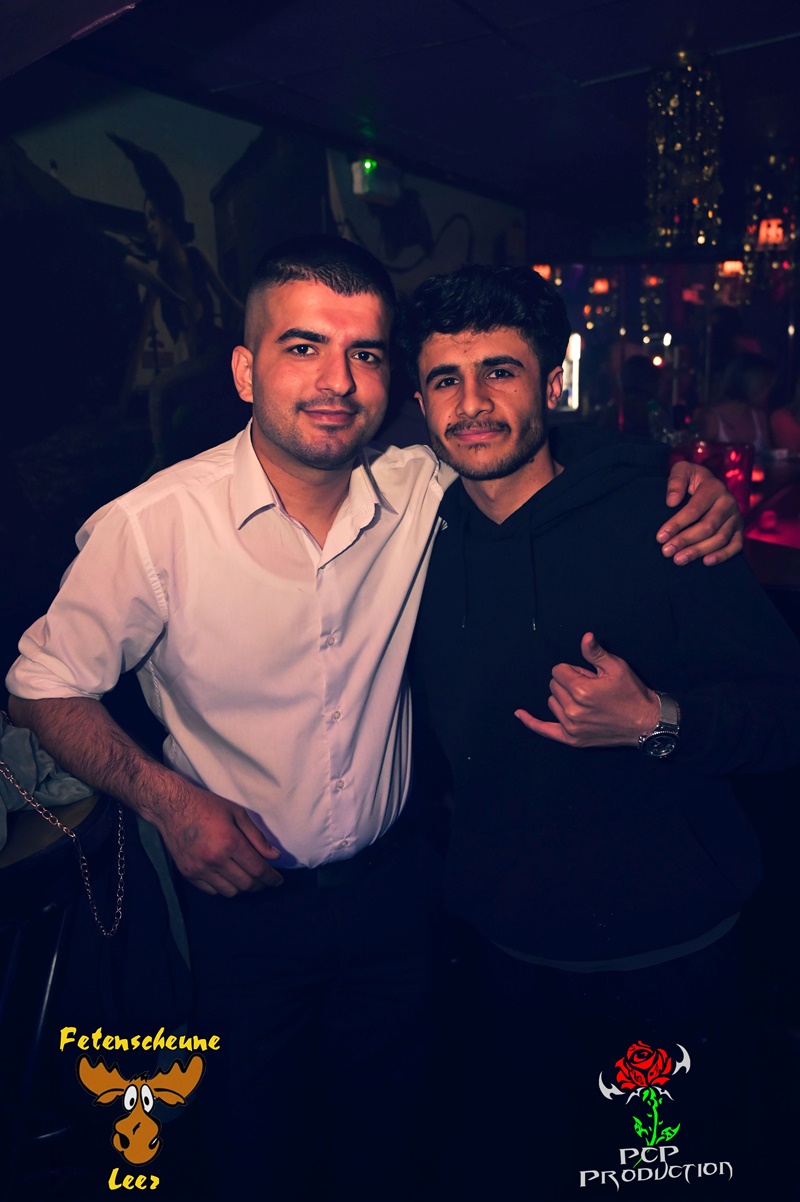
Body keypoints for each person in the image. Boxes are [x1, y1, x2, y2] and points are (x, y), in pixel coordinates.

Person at [6, 237, 742, 1200]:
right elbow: (39, 685)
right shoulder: (154, 527)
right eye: (302, 347)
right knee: (253, 1157)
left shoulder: (417, 485)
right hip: (239, 910)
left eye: (363, 352)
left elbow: (530, 440)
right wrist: (171, 804)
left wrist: (679, 471)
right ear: (246, 371)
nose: (336, 381)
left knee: (394, 1147)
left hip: (397, 902)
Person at [403, 265, 800, 1200]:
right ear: (419, 403)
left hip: (668, 965)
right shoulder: (410, 538)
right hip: (504, 963)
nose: (472, 403)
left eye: (500, 371)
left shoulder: (662, 518)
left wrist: (658, 722)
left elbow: (786, 712)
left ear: (552, 381)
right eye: (446, 379)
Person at [699, 351, 775, 450]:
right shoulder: (713, 419)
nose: (769, 390)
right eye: (765, 384)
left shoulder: (759, 417)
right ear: (751, 384)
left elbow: (767, 455)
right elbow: (704, 455)